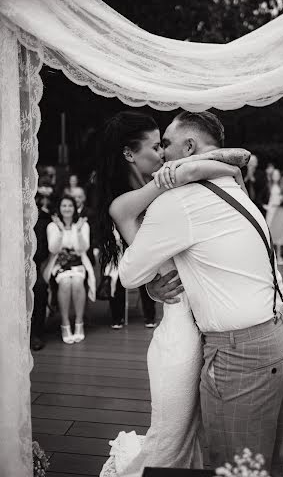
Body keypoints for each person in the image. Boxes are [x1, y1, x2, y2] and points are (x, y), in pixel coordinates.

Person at [114, 111, 283, 476]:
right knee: (263, 463)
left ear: (189, 147)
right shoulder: (234, 186)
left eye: (166, 143)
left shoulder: (178, 202)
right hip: (282, 334)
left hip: (242, 354)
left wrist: (150, 282)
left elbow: (129, 273)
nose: (162, 152)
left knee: (234, 468)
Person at [97, 110, 252, 477]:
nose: (164, 154)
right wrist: (150, 285)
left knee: (191, 440)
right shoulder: (130, 200)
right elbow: (131, 272)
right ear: (129, 154)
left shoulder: (171, 190)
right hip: (179, 336)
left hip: (208, 325)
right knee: (170, 441)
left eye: (165, 145)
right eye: (156, 146)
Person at [43, 195, 96, 344]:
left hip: (79, 263)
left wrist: (78, 231)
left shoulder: (82, 225)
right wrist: (60, 230)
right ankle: (65, 324)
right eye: (64, 205)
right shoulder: (52, 226)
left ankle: (79, 323)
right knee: (66, 282)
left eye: (70, 206)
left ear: (74, 208)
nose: (67, 209)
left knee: (77, 282)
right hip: (59, 264)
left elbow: (82, 248)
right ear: (59, 208)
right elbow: (53, 249)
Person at [31, 193, 52, 351]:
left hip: (33, 266)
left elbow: (42, 252)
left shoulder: (42, 220)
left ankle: (36, 333)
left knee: (39, 288)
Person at [259, 168, 283, 265]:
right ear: (271, 176)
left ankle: (279, 256)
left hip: (280, 211)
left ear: (280, 176)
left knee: (279, 233)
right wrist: (265, 206)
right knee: (270, 233)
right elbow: (260, 198)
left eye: (277, 174)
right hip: (271, 211)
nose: (276, 176)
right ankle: (271, 257)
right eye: (274, 174)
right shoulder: (268, 186)